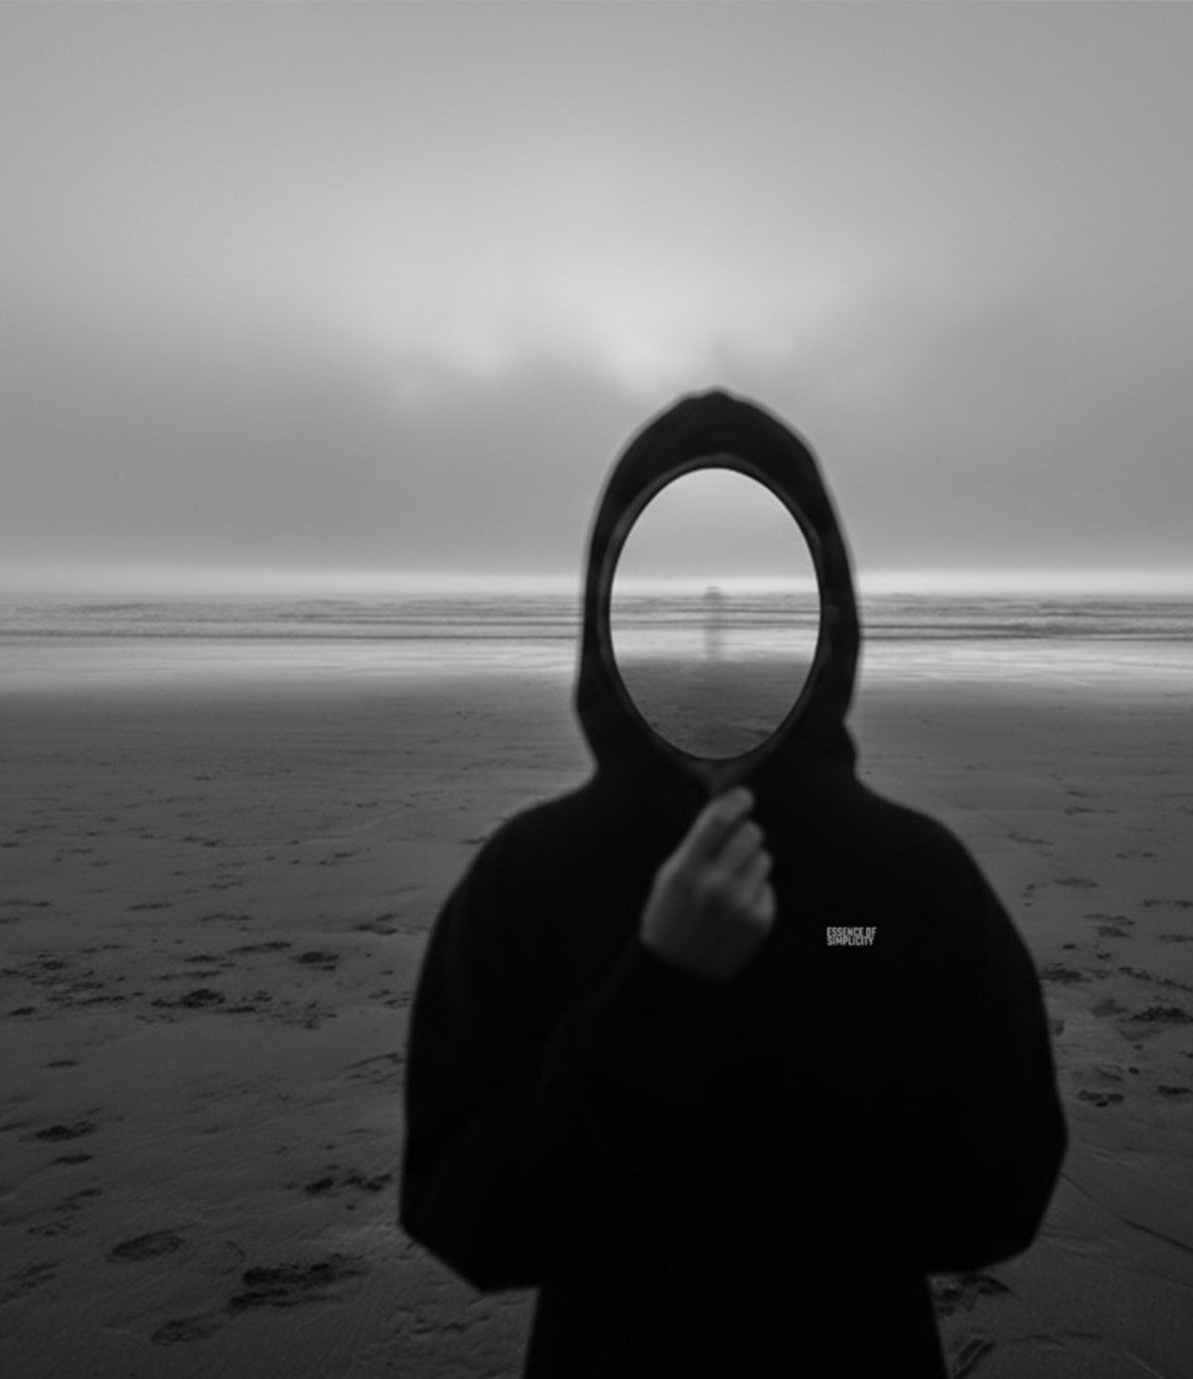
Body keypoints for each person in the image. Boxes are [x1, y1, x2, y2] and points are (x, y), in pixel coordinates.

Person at [399, 389, 1068, 1378]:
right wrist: (657, 992)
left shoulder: (905, 884)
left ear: (825, 612)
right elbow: (464, 1217)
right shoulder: (532, 878)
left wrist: (819, 965)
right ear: (604, 612)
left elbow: (1001, 1193)